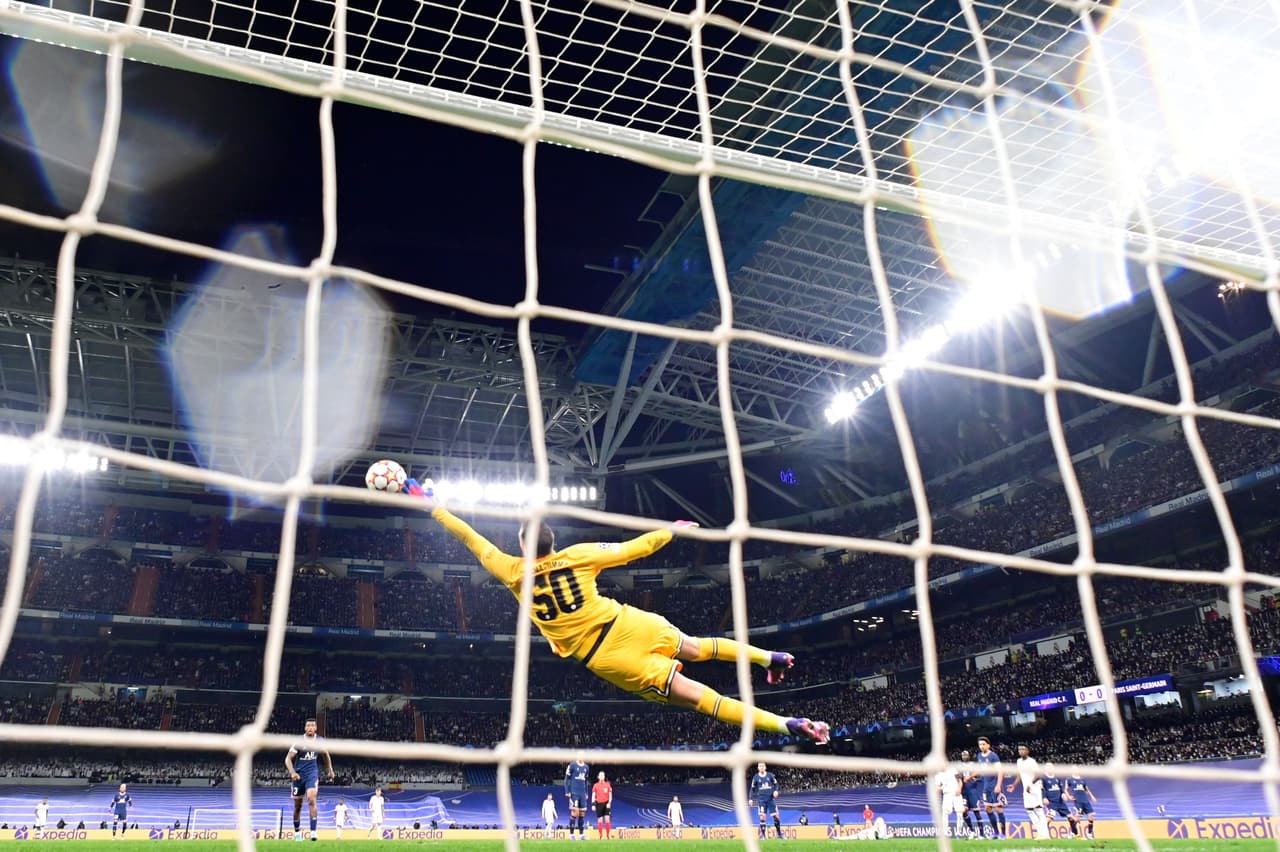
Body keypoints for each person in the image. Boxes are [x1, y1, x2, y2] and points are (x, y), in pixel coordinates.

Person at [412, 479, 829, 743]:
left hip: (608, 657)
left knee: (703, 700)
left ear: (523, 546)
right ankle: (768, 656)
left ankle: (786, 724)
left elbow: (471, 538)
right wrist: (670, 531)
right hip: (629, 622)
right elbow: (634, 549)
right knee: (700, 648)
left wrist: (432, 505)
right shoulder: (578, 555)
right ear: (552, 544)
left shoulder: (511, 570)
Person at [285, 718, 334, 842]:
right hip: (298, 776)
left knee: (312, 799)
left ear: (316, 728)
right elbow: (288, 759)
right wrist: (292, 772)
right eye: (308, 725)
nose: (311, 727)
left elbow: (325, 754)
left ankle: (313, 832)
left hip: (312, 774)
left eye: (313, 725)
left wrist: (330, 770)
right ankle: (297, 833)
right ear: (305, 728)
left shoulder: (319, 741)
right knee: (298, 806)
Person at [1007, 744, 1047, 839]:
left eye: (1023, 749)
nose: (1021, 751)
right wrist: (1014, 785)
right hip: (1026, 789)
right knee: (1029, 810)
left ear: (1027, 751)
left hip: (1035, 788)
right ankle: (1040, 833)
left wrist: (1030, 784)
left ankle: (1045, 834)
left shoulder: (1031, 762)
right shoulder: (1019, 761)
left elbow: (1038, 775)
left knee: (1038, 810)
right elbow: (1020, 775)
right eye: (1019, 749)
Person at [976, 736, 1005, 838]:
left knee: (998, 809)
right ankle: (996, 832)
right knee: (988, 809)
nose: (981, 746)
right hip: (986, 787)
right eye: (980, 744)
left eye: (983, 744)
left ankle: (1003, 834)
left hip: (994, 785)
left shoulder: (993, 756)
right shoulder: (979, 756)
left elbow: (1000, 771)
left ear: (988, 745)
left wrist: (998, 785)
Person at [748, 761, 783, 839]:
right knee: (762, 817)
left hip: (771, 799)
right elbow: (752, 789)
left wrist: (776, 790)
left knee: (776, 816)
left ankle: (779, 834)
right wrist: (750, 798)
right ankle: (763, 835)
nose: (761, 767)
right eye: (760, 766)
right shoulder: (756, 777)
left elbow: (776, 784)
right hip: (762, 800)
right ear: (758, 768)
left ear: (765, 767)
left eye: (762, 766)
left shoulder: (770, 775)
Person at [1041, 763, 1077, 838]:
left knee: (1071, 817)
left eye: (1051, 767)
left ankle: (1075, 834)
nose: (1049, 768)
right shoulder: (1043, 778)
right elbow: (1042, 789)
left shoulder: (1057, 778)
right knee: (1048, 819)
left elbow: (1061, 789)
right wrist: (1044, 797)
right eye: (1048, 767)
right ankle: (1044, 835)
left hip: (1060, 802)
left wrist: (1063, 794)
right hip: (1052, 803)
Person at [564, 755, 590, 841]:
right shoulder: (572, 765)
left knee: (582, 814)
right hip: (574, 793)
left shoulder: (586, 767)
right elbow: (566, 779)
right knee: (575, 813)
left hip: (582, 794)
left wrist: (586, 792)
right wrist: (567, 791)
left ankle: (581, 834)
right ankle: (571, 834)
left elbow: (586, 781)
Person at [934, 766, 964, 838]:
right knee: (945, 813)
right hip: (947, 795)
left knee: (960, 813)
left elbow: (960, 781)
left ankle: (958, 833)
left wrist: (959, 789)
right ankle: (945, 833)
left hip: (957, 794)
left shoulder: (953, 769)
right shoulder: (938, 775)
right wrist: (941, 788)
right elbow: (936, 788)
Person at [958, 749, 981, 838]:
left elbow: (980, 776)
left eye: (966, 755)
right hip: (964, 792)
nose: (964, 757)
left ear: (969, 756)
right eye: (963, 755)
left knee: (976, 812)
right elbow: (958, 778)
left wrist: (976, 779)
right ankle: (972, 831)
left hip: (972, 791)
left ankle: (981, 834)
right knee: (964, 811)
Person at [1067, 773, 1098, 839]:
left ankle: (1089, 834)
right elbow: (1066, 789)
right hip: (1078, 801)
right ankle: (1072, 833)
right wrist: (1068, 796)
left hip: (1085, 801)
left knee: (1091, 817)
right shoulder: (1070, 780)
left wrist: (1092, 796)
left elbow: (1087, 789)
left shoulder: (1082, 780)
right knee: (1077, 817)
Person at [591, 771, 613, 839]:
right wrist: (593, 804)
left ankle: (607, 835)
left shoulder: (607, 785)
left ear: (604, 777)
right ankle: (600, 835)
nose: (601, 776)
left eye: (603, 775)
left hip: (606, 804)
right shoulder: (595, 785)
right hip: (598, 804)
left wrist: (609, 803)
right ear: (598, 777)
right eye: (600, 775)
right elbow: (593, 795)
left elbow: (610, 795)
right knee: (600, 820)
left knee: (607, 819)